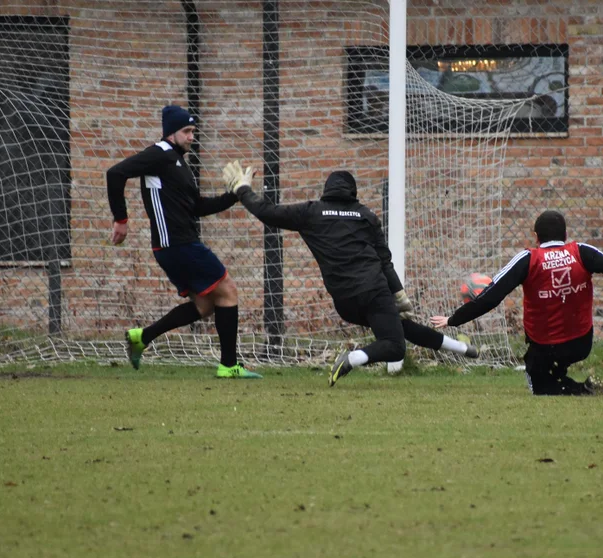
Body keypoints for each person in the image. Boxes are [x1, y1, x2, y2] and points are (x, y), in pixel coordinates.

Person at [221, 162, 478, 386]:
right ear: (353, 193)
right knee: (395, 346)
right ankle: (352, 358)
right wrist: (399, 294)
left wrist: (243, 189)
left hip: (344, 301)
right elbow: (384, 260)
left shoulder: (311, 212)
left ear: (327, 191)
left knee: (399, 328)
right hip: (374, 289)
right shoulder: (366, 215)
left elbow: (267, 213)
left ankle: (462, 349)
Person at [429, 210, 603, 396]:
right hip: (581, 343)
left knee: (539, 386)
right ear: (565, 234)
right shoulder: (581, 252)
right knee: (552, 370)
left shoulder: (529, 259)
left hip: (545, 346)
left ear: (536, 236)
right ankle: (572, 382)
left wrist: (454, 319)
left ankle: (585, 389)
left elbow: (492, 296)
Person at [106, 105, 261, 378]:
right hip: (177, 244)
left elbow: (197, 207)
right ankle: (229, 365)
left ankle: (142, 337)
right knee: (228, 290)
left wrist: (237, 193)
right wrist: (121, 219)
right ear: (171, 133)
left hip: (176, 245)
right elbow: (115, 173)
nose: (192, 137)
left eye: (193, 131)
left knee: (205, 306)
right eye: (186, 131)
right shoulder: (159, 154)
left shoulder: (178, 163)